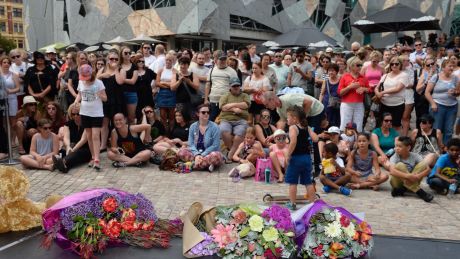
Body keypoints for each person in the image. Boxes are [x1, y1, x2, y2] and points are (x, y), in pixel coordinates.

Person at [73, 64, 107, 171]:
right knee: (89, 136)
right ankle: (93, 156)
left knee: (96, 135)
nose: (85, 79)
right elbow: (80, 94)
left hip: (96, 113)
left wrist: (99, 94)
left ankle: (97, 159)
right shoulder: (81, 82)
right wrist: (76, 101)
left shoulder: (99, 83)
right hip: (85, 112)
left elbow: (105, 98)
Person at [284, 105, 318, 210]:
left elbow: (293, 142)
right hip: (307, 158)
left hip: (296, 159)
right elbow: (316, 139)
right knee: (308, 182)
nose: (287, 119)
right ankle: (312, 204)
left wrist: (287, 154)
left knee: (293, 182)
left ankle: (292, 203)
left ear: (294, 118)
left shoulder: (293, 127)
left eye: (288, 117)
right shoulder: (306, 127)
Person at [179, 104, 223, 172]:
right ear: (197, 114)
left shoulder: (215, 127)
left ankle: (193, 165)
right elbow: (191, 144)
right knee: (181, 152)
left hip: (209, 154)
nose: (206, 114)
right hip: (196, 154)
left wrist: (202, 155)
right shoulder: (193, 126)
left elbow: (215, 145)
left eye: (208, 112)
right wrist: (197, 155)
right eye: (203, 112)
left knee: (216, 156)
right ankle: (206, 165)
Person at [388, 136, 434, 202]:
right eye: (396, 146)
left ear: (408, 148)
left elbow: (428, 169)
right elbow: (392, 171)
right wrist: (408, 176)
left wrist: (419, 176)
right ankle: (420, 192)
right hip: (397, 183)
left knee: (423, 164)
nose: (396, 148)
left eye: (400, 146)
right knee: (400, 165)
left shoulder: (415, 156)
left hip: (414, 180)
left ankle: (402, 189)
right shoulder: (395, 156)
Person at [425, 60, 460, 144]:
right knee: (437, 129)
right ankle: (436, 148)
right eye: (449, 66)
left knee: (449, 130)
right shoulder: (436, 77)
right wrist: (433, 104)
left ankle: (446, 150)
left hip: (452, 106)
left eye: (453, 66)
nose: (451, 68)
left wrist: (455, 93)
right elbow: (427, 92)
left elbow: (458, 92)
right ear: (443, 67)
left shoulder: (455, 78)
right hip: (438, 106)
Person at [52, 103, 92, 173]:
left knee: (77, 153)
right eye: (73, 114)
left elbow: (83, 140)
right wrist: (68, 147)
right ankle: (63, 165)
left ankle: (63, 162)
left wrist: (72, 150)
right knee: (63, 151)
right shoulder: (68, 124)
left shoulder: (87, 123)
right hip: (71, 146)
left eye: (78, 114)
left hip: (85, 148)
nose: (76, 116)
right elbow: (66, 138)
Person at [97, 51, 125, 151]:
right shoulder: (102, 69)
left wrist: (116, 69)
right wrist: (101, 76)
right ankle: (103, 144)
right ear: (108, 60)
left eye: (116, 59)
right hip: (105, 99)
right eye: (111, 59)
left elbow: (120, 82)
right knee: (104, 123)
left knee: (116, 123)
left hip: (116, 99)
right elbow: (95, 80)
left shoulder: (121, 70)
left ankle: (116, 144)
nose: (113, 61)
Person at [219, 77, 250, 161]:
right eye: (234, 86)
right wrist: (234, 109)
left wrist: (231, 105)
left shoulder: (245, 95)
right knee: (223, 130)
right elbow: (223, 107)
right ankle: (233, 151)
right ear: (230, 87)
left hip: (241, 120)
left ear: (240, 86)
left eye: (237, 85)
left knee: (239, 134)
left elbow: (246, 105)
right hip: (226, 119)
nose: (236, 87)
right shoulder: (225, 96)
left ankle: (230, 154)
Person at [374, 56, 408, 132]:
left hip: (397, 105)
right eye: (392, 64)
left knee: (396, 125)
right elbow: (377, 87)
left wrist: (382, 92)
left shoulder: (404, 75)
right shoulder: (385, 75)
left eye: (396, 64)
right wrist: (377, 93)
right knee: (383, 124)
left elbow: (397, 88)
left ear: (400, 65)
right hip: (384, 104)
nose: (394, 65)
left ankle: (396, 142)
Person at [337, 56, 370, 132]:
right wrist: (349, 87)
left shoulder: (363, 77)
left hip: (359, 104)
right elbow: (340, 92)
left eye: (361, 65)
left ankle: (357, 142)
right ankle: (344, 142)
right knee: (345, 125)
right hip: (346, 104)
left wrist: (364, 89)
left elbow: (370, 89)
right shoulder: (345, 76)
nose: (360, 67)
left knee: (358, 125)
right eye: (358, 65)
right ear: (351, 66)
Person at [204, 50, 238, 121]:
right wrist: (206, 99)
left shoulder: (232, 71)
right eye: (221, 59)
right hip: (213, 101)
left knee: (224, 121)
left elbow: (236, 87)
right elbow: (208, 85)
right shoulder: (211, 70)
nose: (223, 61)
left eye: (224, 59)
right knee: (211, 120)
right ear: (216, 60)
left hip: (227, 101)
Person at [0, 56, 20, 145]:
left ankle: (12, 140)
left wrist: (9, 91)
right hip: (2, 100)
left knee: (13, 121)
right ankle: (5, 141)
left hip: (12, 99)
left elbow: (18, 88)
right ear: (1, 64)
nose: (6, 64)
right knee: (4, 121)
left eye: (8, 62)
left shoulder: (14, 75)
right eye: (4, 62)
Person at [155, 53, 177, 134]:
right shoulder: (161, 70)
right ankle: (164, 132)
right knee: (162, 115)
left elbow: (174, 85)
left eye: (170, 60)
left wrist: (163, 82)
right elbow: (157, 83)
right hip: (162, 94)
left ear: (173, 61)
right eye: (167, 60)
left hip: (172, 94)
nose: (168, 61)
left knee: (172, 116)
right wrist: (168, 84)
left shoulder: (175, 71)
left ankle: (171, 133)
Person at [133, 54, 156, 121]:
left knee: (150, 115)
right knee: (139, 116)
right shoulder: (133, 71)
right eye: (139, 61)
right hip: (137, 97)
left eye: (143, 61)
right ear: (136, 62)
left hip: (148, 96)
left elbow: (157, 77)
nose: (141, 63)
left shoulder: (148, 71)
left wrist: (154, 87)